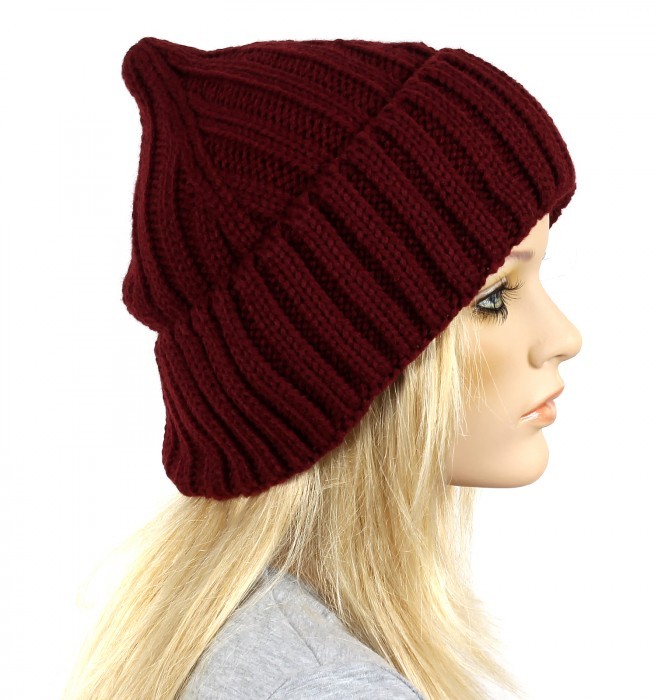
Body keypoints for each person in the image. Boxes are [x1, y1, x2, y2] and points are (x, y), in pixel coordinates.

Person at [62, 36, 582, 700]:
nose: (564, 338)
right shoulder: (329, 685)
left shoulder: (239, 635)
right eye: (493, 297)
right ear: (327, 359)